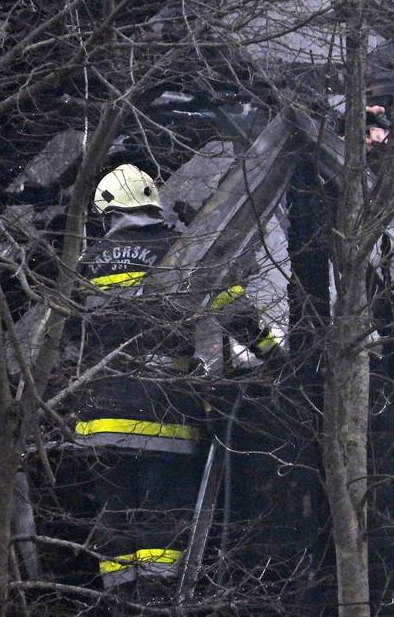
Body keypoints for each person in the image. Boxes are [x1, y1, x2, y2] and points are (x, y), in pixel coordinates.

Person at [75, 164, 281, 593]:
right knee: (161, 522)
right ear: (153, 205)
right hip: (161, 412)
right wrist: (276, 357)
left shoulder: (85, 263)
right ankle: (155, 601)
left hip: (98, 420)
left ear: (107, 211)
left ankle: (123, 604)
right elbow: (234, 311)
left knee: (115, 524)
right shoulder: (181, 251)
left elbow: (67, 337)